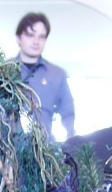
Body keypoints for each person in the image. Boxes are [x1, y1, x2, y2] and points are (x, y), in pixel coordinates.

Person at [14, 12, 76, 140]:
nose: (36, 41)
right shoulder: (0, 72)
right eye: (30, 35)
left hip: (46, 148)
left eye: (41, 36)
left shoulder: (57, 75)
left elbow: (68, 115)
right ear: (18, 37)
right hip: (8, 149)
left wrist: (71, 144)